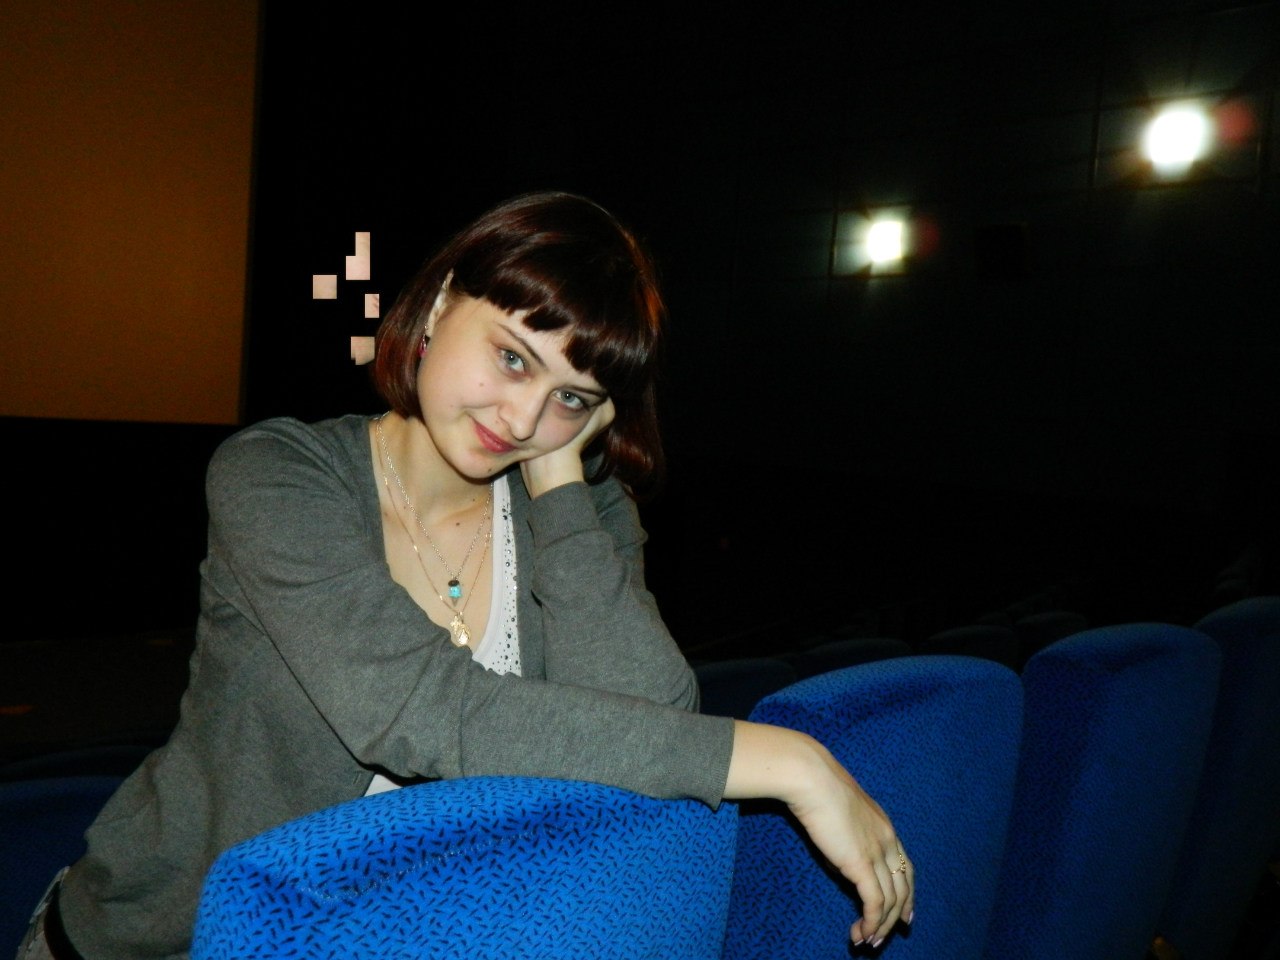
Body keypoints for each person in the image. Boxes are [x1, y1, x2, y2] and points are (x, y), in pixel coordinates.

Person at [17, 191, 914, 960]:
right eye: (513, 357)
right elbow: (417, 712)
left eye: (571, 398)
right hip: (167, 938)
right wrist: (787, 758)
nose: (521, 417)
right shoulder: (278, 475)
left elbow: (649, 714)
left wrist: (559, 482)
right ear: (443, 300)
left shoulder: (582, 513)